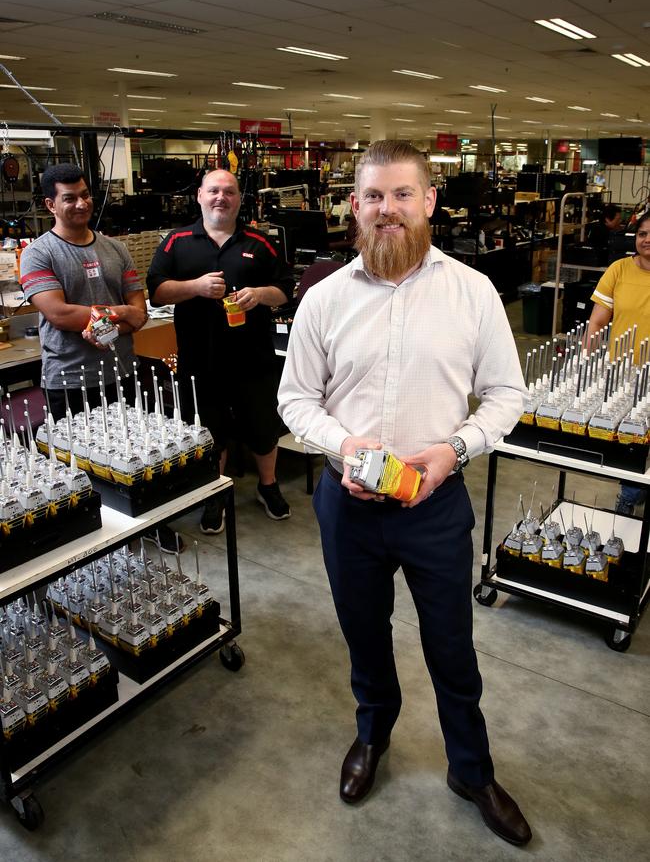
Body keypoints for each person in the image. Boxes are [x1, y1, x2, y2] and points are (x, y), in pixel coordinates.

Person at [278, 140, 531, 847]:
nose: (387, 209)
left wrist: (454, 451)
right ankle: (373, 735)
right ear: (354, 206)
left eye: (401, 194)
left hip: (435, 507)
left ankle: (471, 768)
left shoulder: (472, 292)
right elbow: (295, 398)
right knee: (364, 635)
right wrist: (342, 444)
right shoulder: (324, 298)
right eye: (373, 197)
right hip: (347, 508)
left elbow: (507, 394)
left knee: (451, 643)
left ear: (429, 202)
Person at [147, 169, 294, 534]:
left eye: (229, 192)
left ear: (239, 199)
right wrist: (195, 287)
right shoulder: (176, 242)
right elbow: (157, 291)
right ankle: (214, 493)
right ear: (199, 195)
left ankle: (268, 485)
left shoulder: (261, 242)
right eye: (213, 190)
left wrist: (260, 295)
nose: (220, 198)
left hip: (253, 358)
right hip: (200, 359)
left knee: (262, 427)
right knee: (209, 431)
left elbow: (285, 290)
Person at [20, 163, 147, 421]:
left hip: (122, 372)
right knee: (81, 459)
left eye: (85, 195)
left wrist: (113, 321)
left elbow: (139, 313)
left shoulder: (116, 248)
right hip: (69, 381)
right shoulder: (38, 254)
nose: (81, 203)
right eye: (69, 198)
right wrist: (123, 313)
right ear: (50, 205)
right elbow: (61, 315)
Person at [587, 210, 650, 514]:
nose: (647, 239)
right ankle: (628, 499)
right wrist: (587, 363)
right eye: (642, 234)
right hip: (624, 374)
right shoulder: (619, 269)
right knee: (629, 443)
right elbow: (597, 322)